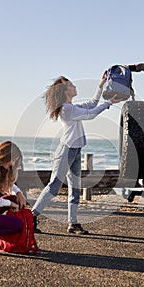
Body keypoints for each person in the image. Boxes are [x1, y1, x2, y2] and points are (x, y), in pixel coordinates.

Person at [32, 75, 123, 234]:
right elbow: (91, 114)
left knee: (75, 189)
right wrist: (108, 103)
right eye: (71, 85)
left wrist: (100, 85)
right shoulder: (67, 110)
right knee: (54, 186)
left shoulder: (72, 107)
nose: (74, 87)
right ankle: (32, 216)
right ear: (66, 91)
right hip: (66, 150)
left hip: (75, 150)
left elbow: (92, 104)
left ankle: (73, 224)